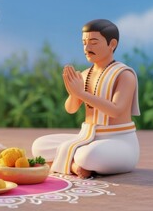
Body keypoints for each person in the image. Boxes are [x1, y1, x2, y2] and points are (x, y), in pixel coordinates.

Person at [31, 19, 140, 179]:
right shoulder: (84, 74)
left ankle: (67, 162)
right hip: (87, 137)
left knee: (88, 155)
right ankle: (75, 166)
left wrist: (81, 93)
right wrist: (73, 93)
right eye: (84, 43)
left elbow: (116, 110)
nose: (87, 48)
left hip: (119, 142)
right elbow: (71, 109)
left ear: (112, 44)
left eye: (94, 42)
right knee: (39, 145)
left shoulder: (124, 75)